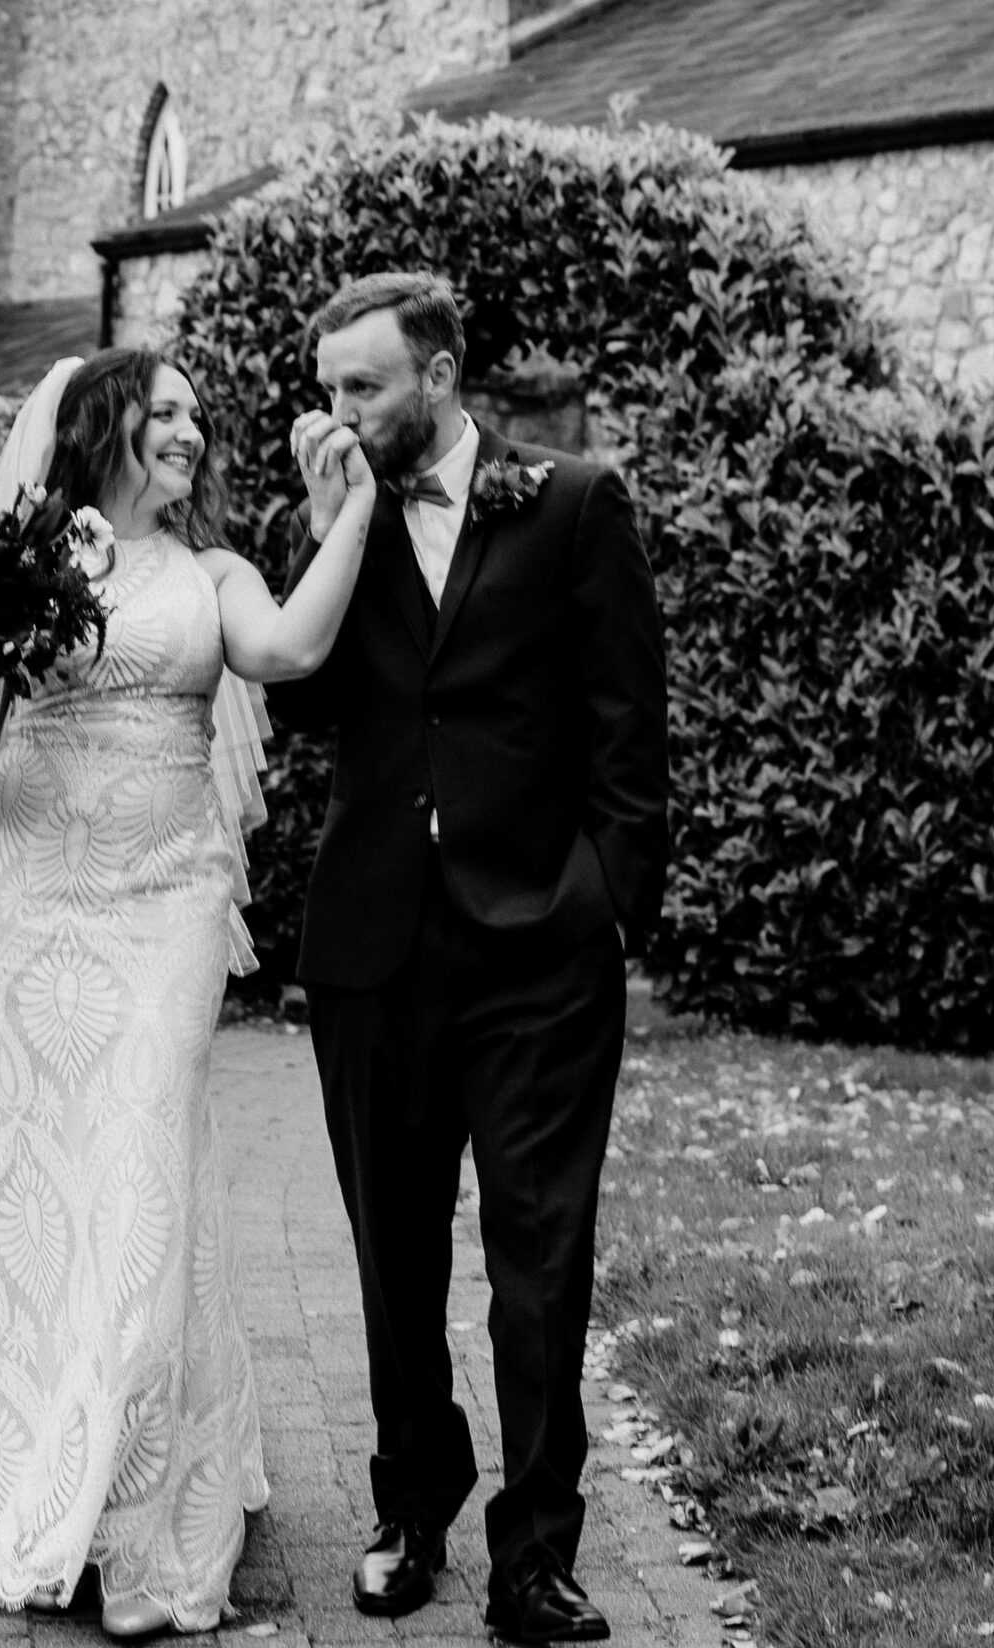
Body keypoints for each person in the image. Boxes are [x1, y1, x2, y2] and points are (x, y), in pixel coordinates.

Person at [0, 348, 375, 1631]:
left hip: (161, 910)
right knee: (36, 1184)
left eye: (197, 420)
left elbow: (292, 647)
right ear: (101, 426)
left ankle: (135, 1517)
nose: (191, 435)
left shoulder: (216, 577)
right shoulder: (22, 569)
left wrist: (353, 518)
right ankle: (17, 1463)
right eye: (165, 414)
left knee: (145, 1171)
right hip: (25, 916)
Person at [274, 273, 669, 1646]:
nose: (335, 412)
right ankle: (408, 1505)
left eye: (360, 388)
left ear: (436, 377)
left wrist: (606, 902)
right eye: (327, 387)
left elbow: (629, 723)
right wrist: (331, 530)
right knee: (393, 1254)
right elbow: (304, 698)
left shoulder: (568, 504)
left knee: (537, 1257)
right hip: (372, 944)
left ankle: (536, 1555)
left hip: (537, 953)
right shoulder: (325, 517)